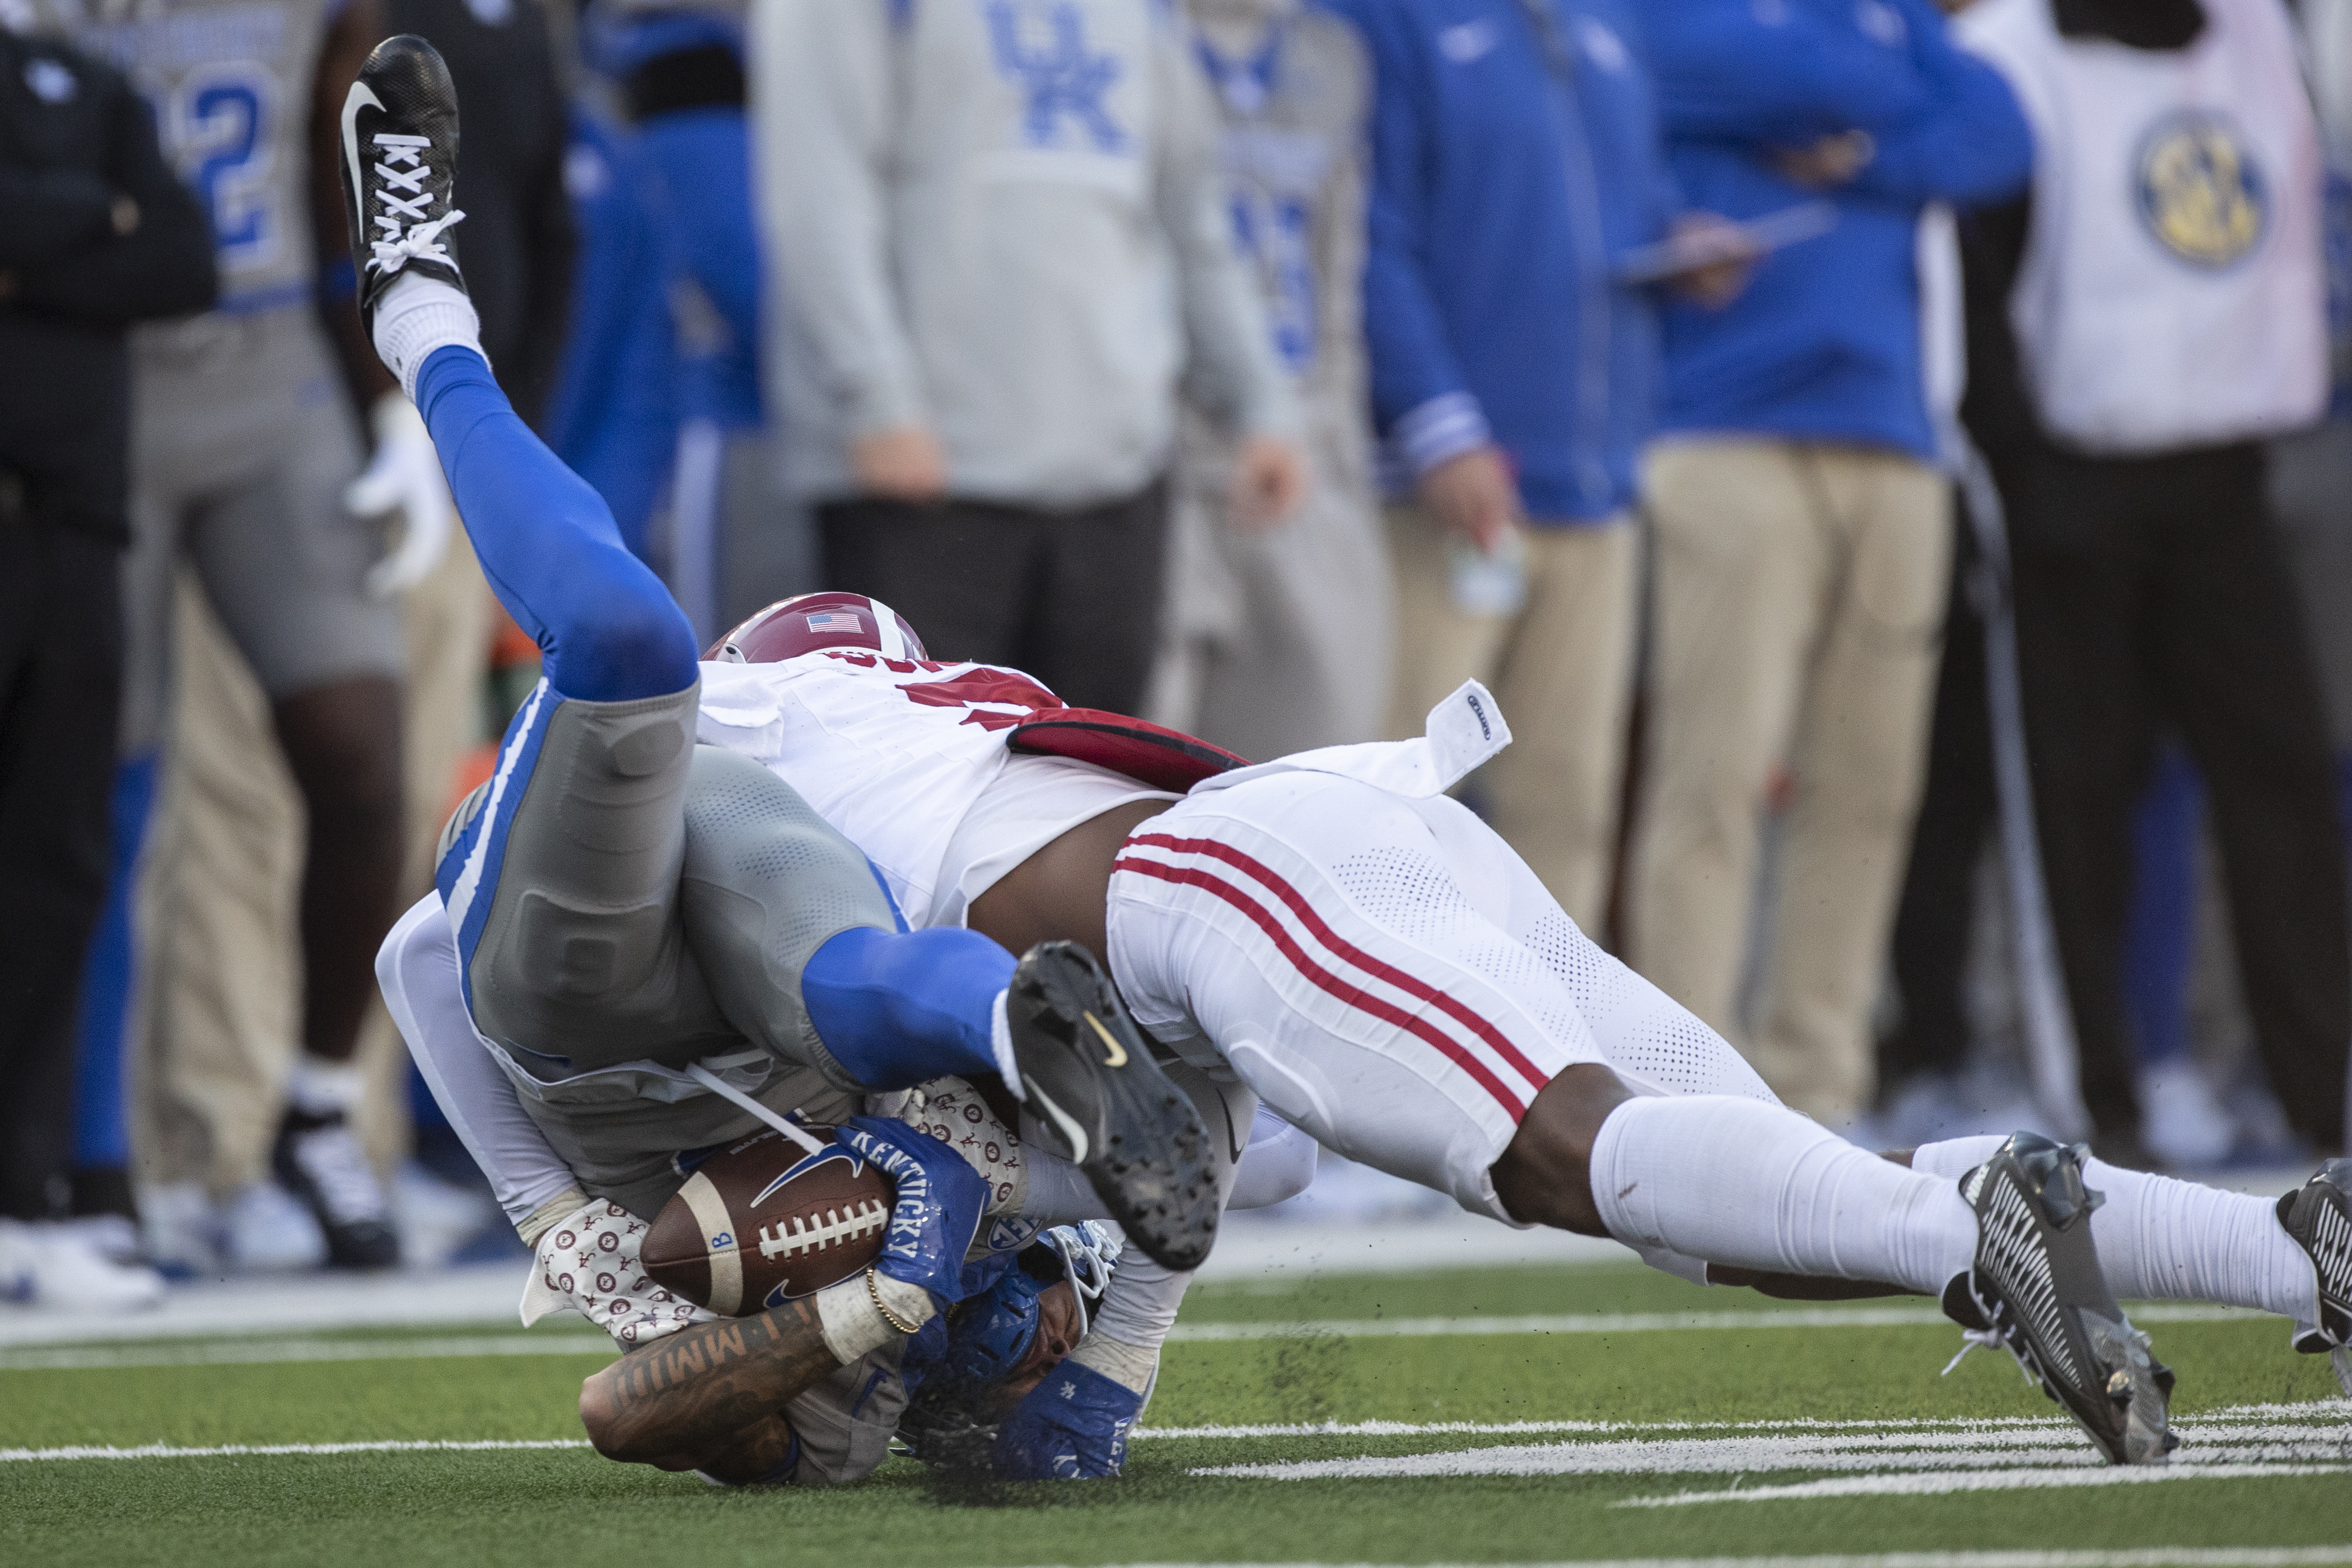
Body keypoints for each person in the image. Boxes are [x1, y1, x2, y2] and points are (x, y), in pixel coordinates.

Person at [351, 34, 2352, 1476]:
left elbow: (1048, 1313)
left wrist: (807, 1288)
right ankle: (2280, 1240)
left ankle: (1986, 1228)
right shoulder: (925, 876)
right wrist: (916, 1327)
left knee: (1588, 1160)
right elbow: (1096, 1344)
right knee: (1753, 1207)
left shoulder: (755, 748)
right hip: (1316, 858)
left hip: (1226, 890)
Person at [39, 0, 453, 1272]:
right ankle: (90, 1154)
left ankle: (317, 1104)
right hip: (94, 372)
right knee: (92, 787)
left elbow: (351, 165)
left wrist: (392, 394)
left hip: (270, 369)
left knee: (362, 752)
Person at [1956, 0, 2352, 1163]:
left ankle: (2321, 1092)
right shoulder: (2013, 51)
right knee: (2077, 802)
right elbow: (1977, 269)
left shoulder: (2259, 34)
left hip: (2231, 466)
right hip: (2074, 470)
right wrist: (2022, 463)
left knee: (2281, 778)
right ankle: (2100, 1103)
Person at [1624, 0, 2033, 1125]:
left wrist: (1861, 156)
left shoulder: (1887, 15)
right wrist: (1877, 108)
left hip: (1897, 441)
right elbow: (1674, 56)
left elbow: (2001, 136)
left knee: (1870, 786)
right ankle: (1686, 1089)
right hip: (1725, 426)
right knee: (1714, 775)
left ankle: (1819, 1084)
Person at [750, 0, 1308, 714]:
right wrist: (876, 396)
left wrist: (1260, 402)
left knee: (1098, 799)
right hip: (922, 480)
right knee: (921, 807)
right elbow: (818, 192)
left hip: (1118, 478)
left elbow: (1189, 210)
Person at [1330, 0, 1746, 935]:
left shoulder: (1608, 25)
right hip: (1447, 493)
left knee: (1569, 803)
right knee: (1396, 800)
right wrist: (1438, 424)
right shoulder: (1388, 19)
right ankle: (1372, 1059)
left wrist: (1679, 242)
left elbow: (1619, 207)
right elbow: (1366, 235)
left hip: (1595, 486)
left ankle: (1552, 1065)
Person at [0, 17, 216, 1309]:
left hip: (79, 525)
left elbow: (184, 258)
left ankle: (26, 1192)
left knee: (59, 860)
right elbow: (128, 241)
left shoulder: (91, 79)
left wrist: (33, 245)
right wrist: (96, 220)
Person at [1147, 0, 1391, 760]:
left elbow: (1339, 271)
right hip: (1159, 464)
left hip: (1300, 457)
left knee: (1313, 772)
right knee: (1130, 784)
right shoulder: (1127, 34)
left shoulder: (1332, 53)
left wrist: (1338, 447)